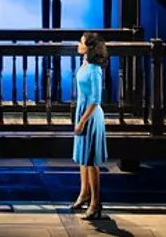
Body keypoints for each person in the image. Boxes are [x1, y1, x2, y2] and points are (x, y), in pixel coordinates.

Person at [70, 31, 108, 220]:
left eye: (81, 42)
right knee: (83, 159)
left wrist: (83, 120)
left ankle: (96, 203)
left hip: (91, 116)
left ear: (89, 46)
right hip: (82, 110)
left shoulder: (94, 69)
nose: (78, 43)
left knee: (91, 161)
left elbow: (96, 98)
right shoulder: (85, 63)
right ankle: (84, 193)